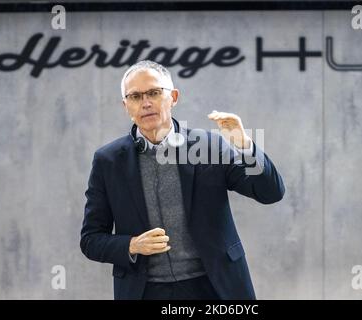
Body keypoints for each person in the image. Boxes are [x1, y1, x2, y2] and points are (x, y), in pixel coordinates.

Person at [80, 60, 285, 300]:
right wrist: (132, 245)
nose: (145, 103)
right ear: (126, 105)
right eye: (135, 96)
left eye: (154, 93)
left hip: (214, 286)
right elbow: (91, 239)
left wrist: (245, 145)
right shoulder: (108, 161)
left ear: (173, 97)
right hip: (145, 291)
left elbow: (270, 193)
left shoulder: (208, 146)